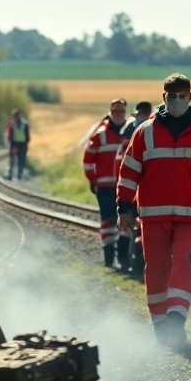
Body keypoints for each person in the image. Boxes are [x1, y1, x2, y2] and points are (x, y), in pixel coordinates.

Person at [117, 73, 191, 345]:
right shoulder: (145, 132)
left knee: (184, 263)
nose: (177, 100)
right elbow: (129, 171)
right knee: (155, 268)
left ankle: (176, 318)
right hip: (153, 216)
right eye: (172, 96)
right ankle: (160, 324)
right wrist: (124, 208)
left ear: (190, 97)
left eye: (182, 96)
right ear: (163, 97)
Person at [83, 98, 131, 270]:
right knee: (108, 220)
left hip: (124, 186)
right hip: (104, 187)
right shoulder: (100, 134)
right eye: (115, 111)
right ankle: (109, 257)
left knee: (125, 222)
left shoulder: (129, 133)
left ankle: (124, 259)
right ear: (110, 111)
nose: (118, 114)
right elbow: (88, 160)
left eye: (121, 111)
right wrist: (93, 179)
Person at [118, 100, 155, 279]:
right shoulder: (134, 132)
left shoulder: (141, 133)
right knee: (133, 229)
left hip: (142, 193)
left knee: (138, 230)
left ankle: (136, 264)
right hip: (136, 193)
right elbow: (124, 165)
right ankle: (132, 263)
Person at [6, 109, 32, 180]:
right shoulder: (25, 124)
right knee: (19, 160)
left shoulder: (12, 124)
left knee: (15, 160)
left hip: (16, 144)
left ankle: (13, 175)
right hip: (19, 144)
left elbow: (9, 135)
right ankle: (17, 175)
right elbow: (28, 136)